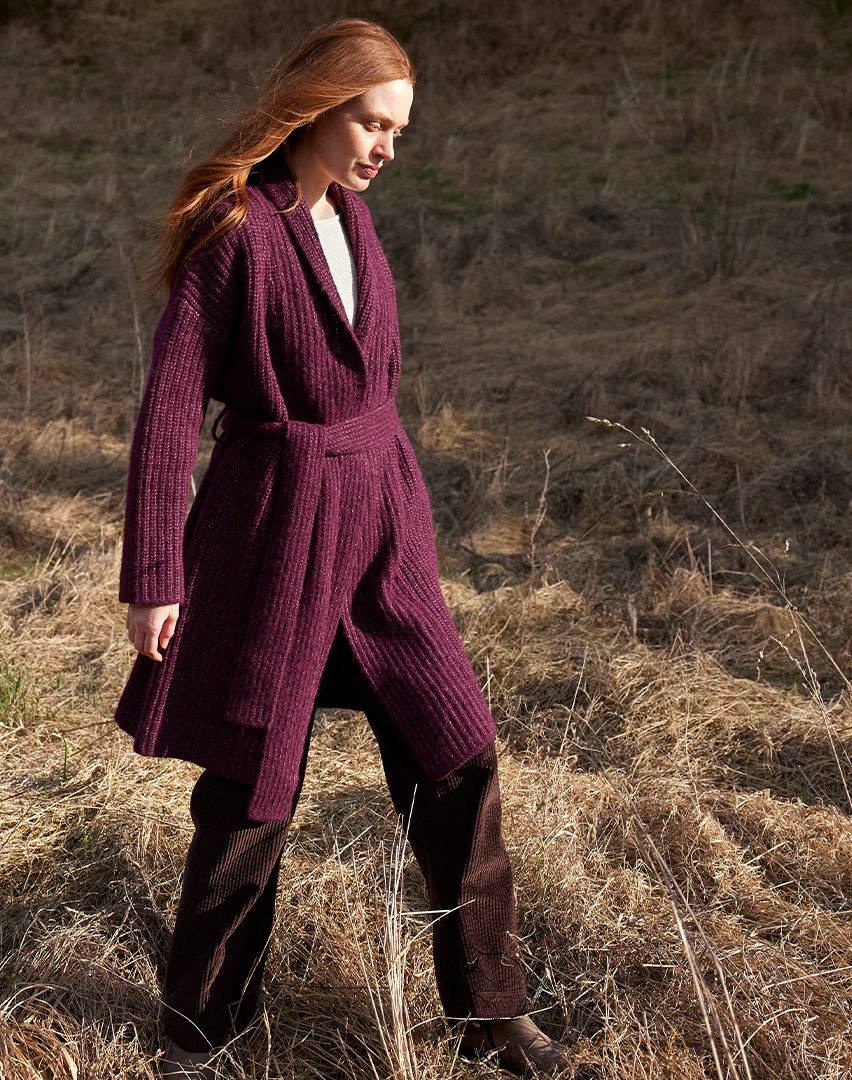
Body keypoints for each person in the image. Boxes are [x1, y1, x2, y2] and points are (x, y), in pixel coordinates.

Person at [117, 19, 587, 1079]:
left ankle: (492, 1012)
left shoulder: (355, 222)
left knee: (457, 752)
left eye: (398, 131)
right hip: (273, 538)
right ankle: (198, 1039)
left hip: (379, 535)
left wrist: (399, 521)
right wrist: (154, 575)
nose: (386, 147)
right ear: (317, 109)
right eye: (372, 123)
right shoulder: (237, 230)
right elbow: (170, 412)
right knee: (252, 791)